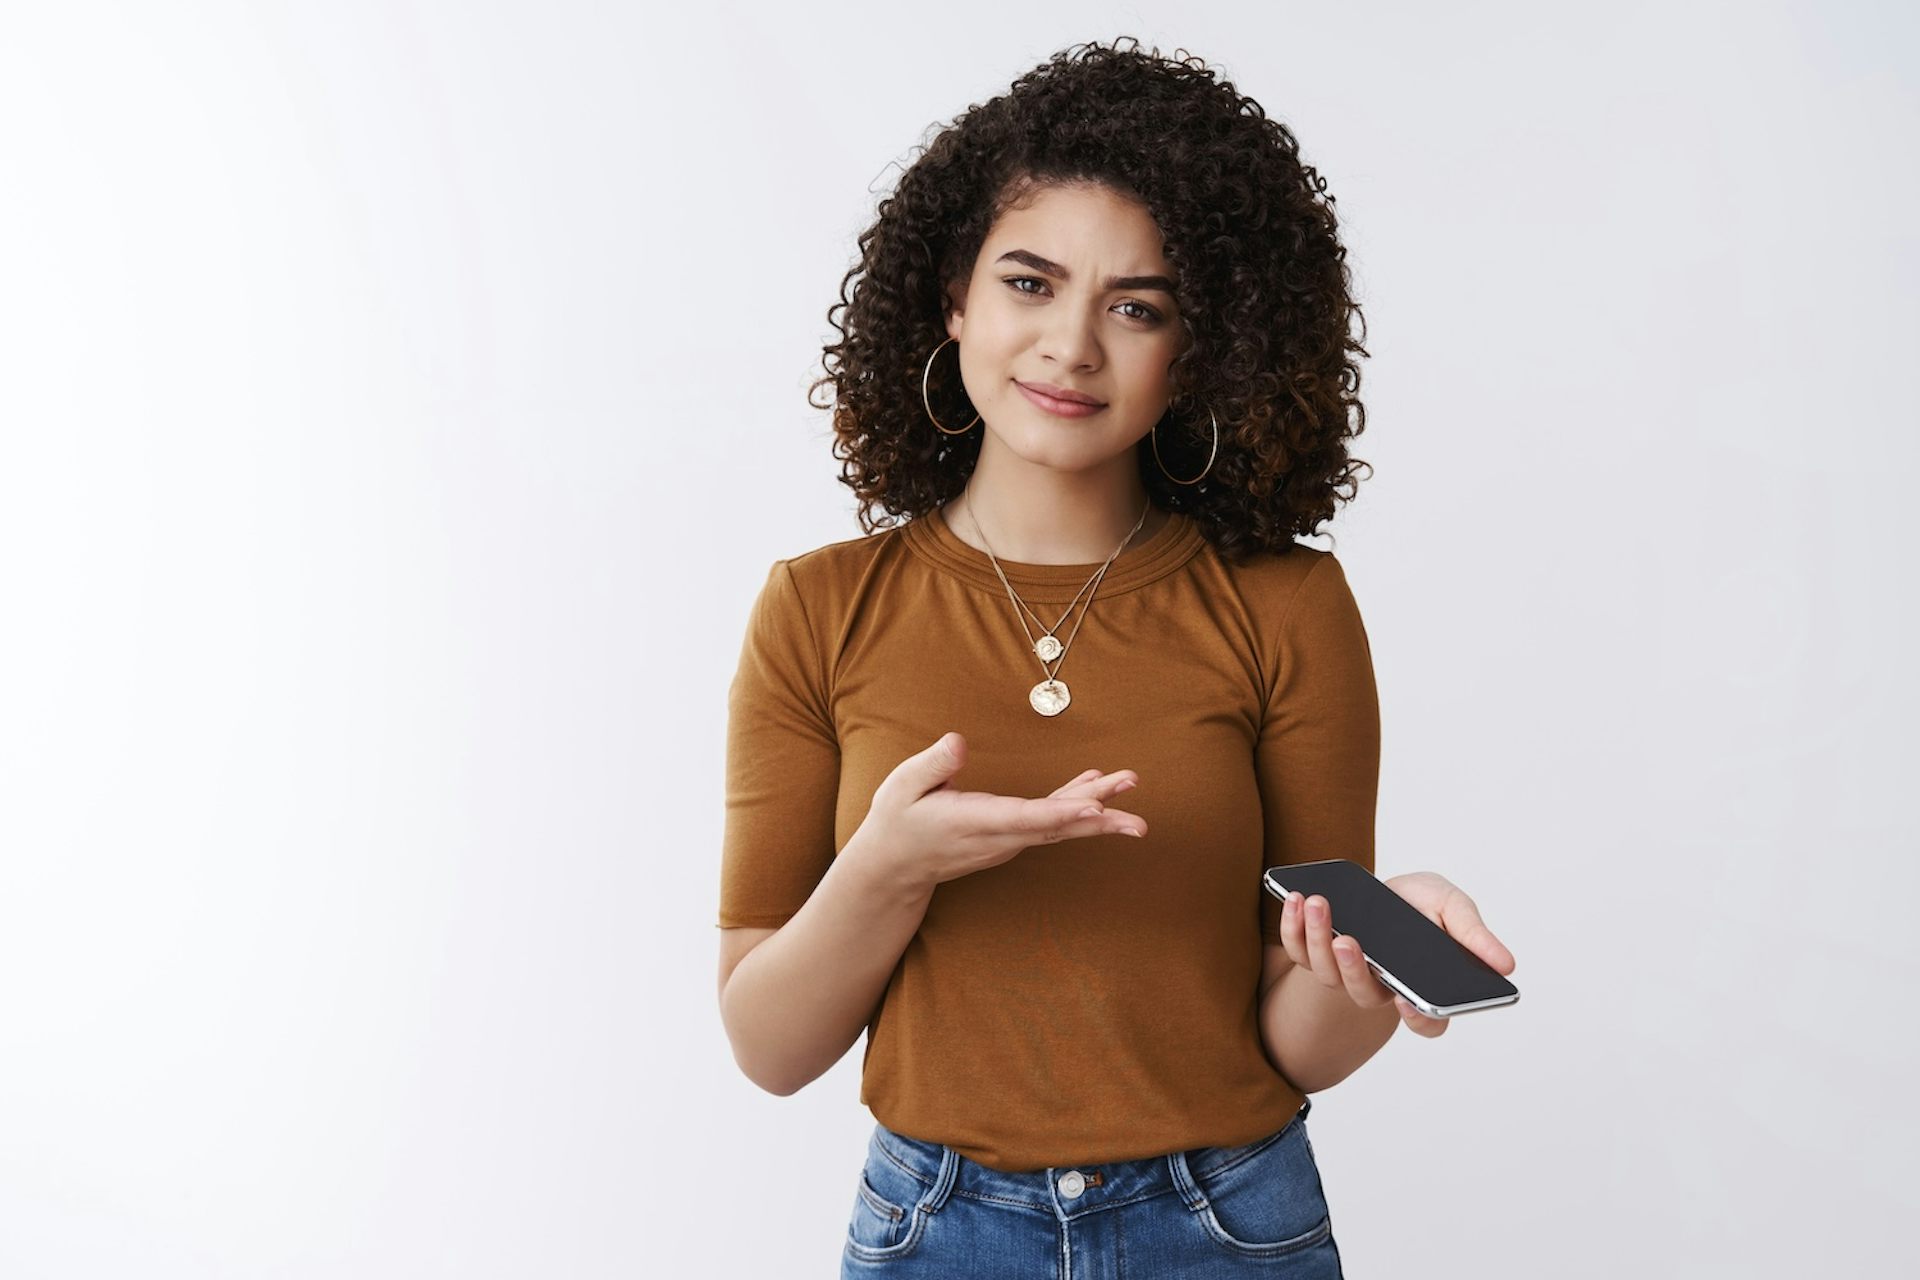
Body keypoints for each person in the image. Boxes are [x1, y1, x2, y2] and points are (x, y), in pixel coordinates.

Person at [714, 37, 1516, 1278]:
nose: (1073, 345)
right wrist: (887, 869)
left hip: (1229, 1222)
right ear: (954, 300)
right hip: (937, 1228)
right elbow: (766, 1046)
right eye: (1030, 283)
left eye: (1136, 306)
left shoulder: (1286, 606)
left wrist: (1367, 953)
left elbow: (1295, 1042)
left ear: (1203, 348)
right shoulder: (820, 610)